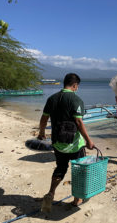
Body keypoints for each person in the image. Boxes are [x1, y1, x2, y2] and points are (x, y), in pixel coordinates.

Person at [38, 73, 96, 212]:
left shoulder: (51, 99)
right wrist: (89, 140)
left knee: (60, 168)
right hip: (75, 145)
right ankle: (77, 200)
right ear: (75, 85)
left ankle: (51, 193)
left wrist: (41, 133)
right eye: (77, 86)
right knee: (79, 171)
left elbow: (44, 119)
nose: (77, 89)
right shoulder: (76, 100)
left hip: (58, 143)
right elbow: (78, 121)